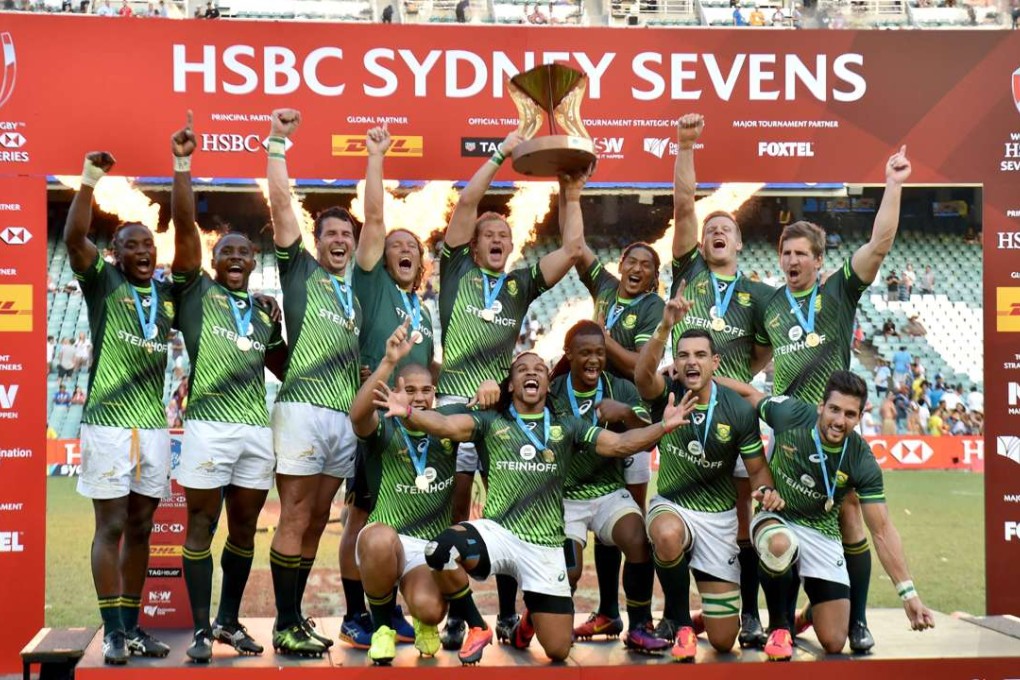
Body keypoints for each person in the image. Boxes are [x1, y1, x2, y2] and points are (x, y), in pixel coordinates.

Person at [372, 351, 698, 665]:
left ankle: (530, 617)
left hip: (544, 547)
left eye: (540, 369)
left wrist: (663, 427)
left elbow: (620, 444)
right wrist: (411, 413)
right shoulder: (489, 420)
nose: (532, 372)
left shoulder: (568, 426)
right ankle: (477, 625)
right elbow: (445, 426)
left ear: (547, 382)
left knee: (557, 649)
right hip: (499, 533)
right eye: (523, 369)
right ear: (511, 385)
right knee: (440, 550)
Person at [750, 146, 912, 653]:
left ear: (819, 262)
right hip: (785, 428)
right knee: (769, 512)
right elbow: (753, 359)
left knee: (847, 513)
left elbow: (880, 243)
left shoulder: (840, 291)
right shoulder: (769, 304)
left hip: (835, 423)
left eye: (802, 253)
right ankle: (766, 620)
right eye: (786, 252)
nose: (793, 259)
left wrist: (893, 183)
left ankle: (856, 619)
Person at [435, 135, 584, 648]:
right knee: (453, 514)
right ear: (472, 245)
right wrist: (499, 156)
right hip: (451, 409)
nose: (496, 237)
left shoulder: (520, 284)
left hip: (498, 414)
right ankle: (461, 614)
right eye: (488, 234)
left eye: (504, 234)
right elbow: (469, 202)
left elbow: (571, 250)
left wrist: (570, 191)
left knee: (504, 514)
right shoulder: (456, 272)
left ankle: (504, 615)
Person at [170, 115, 287, 663]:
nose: (236, 258)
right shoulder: (195, 293)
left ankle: (228, 622)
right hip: (208, 427)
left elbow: (284, 367)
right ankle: (197, 629)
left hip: (255, 430)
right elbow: (186, 230)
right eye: (228, 252)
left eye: (245, 253)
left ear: (254, 263)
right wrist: (184, 166)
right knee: (200, 524)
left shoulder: (264, 313)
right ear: (214, 260)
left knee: (244, 527)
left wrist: (282, 328)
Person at [264, 110, 371, 653]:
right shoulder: (300, 270)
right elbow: (282, 204)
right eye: (329, 233)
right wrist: (278, 143)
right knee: (297, 514)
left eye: (345, 234)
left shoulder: (354, 295)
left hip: (342, 418)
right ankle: (284, 622)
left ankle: (293, 616)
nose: (338, 240)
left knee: (319, 521)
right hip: (303, 409)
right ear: (318, 240)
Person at [64, 151, 174, 665]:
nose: (142, 250)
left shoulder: (170, 295)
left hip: (153, 427)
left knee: (141, 527)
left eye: (148, 243)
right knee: (110, 527)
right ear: (115, 253)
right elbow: (72, 239)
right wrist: (89, 180)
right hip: (108, 424)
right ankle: (111, 631)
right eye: (131, 245)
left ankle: (131, 627)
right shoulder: (103, 284)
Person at [740, 371, 934, 660]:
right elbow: (748, 394)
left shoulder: (860, 457)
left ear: (859, 417)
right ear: (821, 406)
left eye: (849, 414)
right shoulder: (790, 414)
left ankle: (808, 612)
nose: (839, 420)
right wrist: (704, 380)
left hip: (821, 531)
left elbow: (881, 530)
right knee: (780, 545)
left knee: (833, 641)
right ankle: (780, 626)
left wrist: (909, 595)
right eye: (834, 409)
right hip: (778, 516)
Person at [671, 112, 775, 648]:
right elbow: (684, 207)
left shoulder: (757, 295)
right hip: (681, 407)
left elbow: (764, 348)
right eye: (711, 229)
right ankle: (671, 614)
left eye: (725, 230)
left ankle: (751, 613)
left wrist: (733, 383)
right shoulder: (687, 273)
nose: (714, 232)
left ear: (738, 245)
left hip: (733, 411)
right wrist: (686, 146)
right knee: (675, 507)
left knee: (742, 516)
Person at [636, 295, 784, 662]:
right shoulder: (667, 393)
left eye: (700, 355)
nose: (691, 361)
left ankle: (708, 618)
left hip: (719, 521)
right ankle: (682, 624)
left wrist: (765, 489)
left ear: (714, 362)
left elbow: (756, 468)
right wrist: (665, 326)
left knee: (722, 640)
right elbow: (641, 377)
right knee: (667, 535)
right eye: (683, 354)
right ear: (676, 361)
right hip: (673, 506)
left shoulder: (736, 410)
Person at [571, 197, 665, 642]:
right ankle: (608, 611)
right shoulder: (606, 289)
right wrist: (571, 191)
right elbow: (577, 248)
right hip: (590, 407)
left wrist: (605, 342)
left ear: (653, 276)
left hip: (630, 416)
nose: (636, 267)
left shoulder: (651, 307)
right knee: (592, 501)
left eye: (646, 264)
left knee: (627, 519)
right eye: (631, 259)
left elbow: (639, 367)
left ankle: (635, 617)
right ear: (621, 263)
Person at [547, 321, 666, 653]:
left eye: (599, 353)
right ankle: (553, 623)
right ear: (568, 354)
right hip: (564, 497)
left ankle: (640, 624)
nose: (594, 360)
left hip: (608, 493)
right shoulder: (551, 391)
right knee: (568, 571)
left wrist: (626, 413)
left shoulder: (620, 389)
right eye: (585, 353)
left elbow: (646, 437)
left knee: (638, 539)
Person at [349, 323, 465, 663]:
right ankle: (382, 627)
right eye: (410, 390)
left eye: (426, 390)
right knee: (379, 542)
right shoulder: (385, 425)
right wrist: (387, 362)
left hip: (425, 548)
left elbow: (486, 418)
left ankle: (422, 620)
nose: (419, 397)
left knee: (431, 611)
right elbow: (358, 416)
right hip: (386, 535)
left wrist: (490, 387)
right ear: (397, 390)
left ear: (435, 392)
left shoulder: (447, 425)